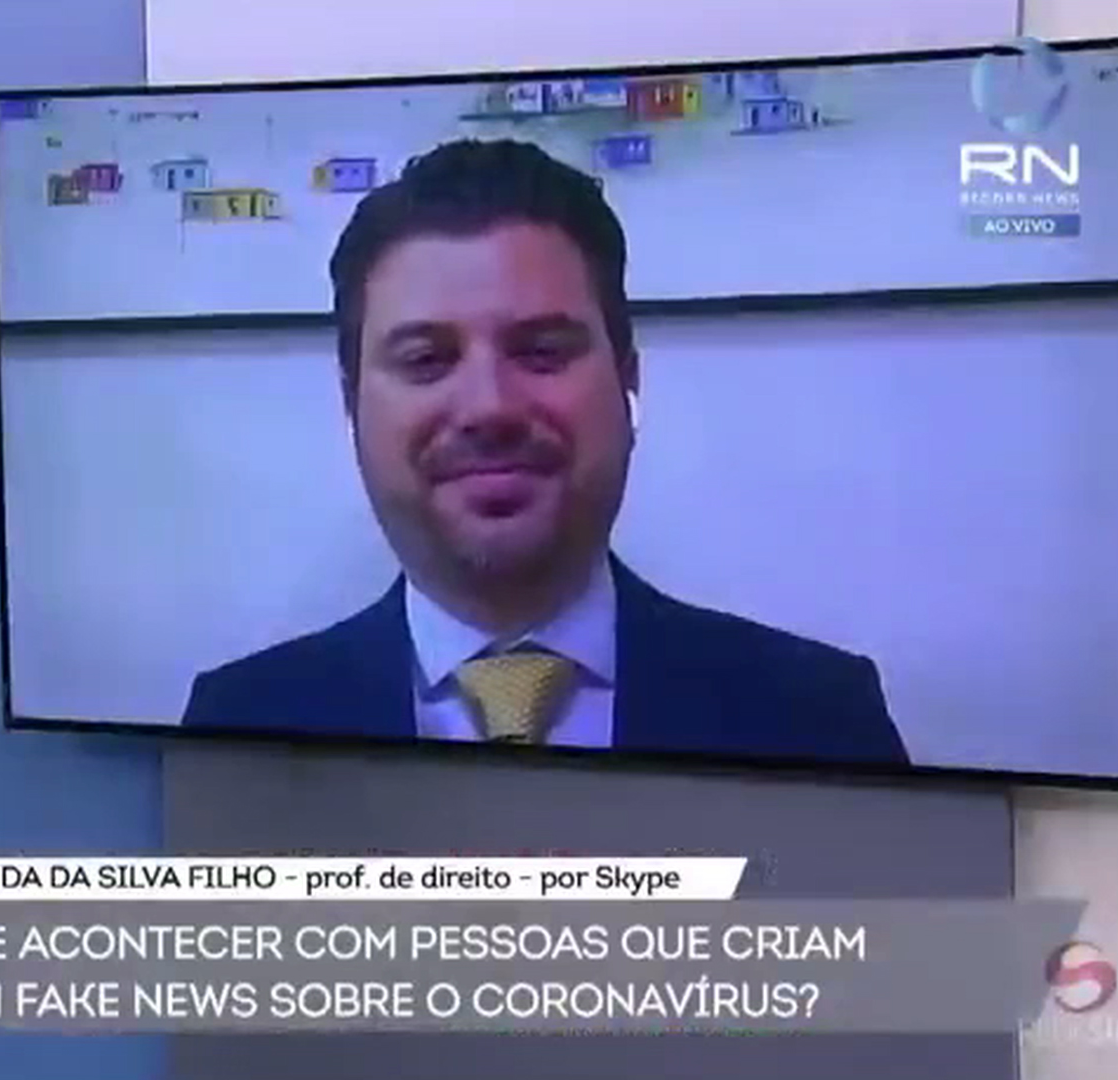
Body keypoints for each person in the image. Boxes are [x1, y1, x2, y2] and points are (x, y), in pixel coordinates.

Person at [181, 138, 908, 767]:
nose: (489, 408)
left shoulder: (820, 718)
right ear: (351, 404)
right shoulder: (234, 728)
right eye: (427, 360)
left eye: (541, 351)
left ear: (626, 376)